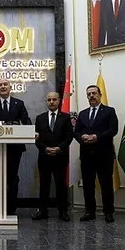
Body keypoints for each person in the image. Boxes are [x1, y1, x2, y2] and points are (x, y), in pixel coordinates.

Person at [0, 78, 31, 215]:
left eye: (5, 84)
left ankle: (11, 209)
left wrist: (31, 131)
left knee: (12, 178)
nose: (3, 86)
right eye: (0, 85)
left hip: (15, 147)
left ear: (10, 88)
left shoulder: (19, 103)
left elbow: (25, 120)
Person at [73, 85, 119, 223]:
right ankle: (89, 212)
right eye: (89, 94)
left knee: (106, 184)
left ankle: (108, 212)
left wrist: (96, 137)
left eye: (94, 93)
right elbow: (76, 132)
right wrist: (81, 137)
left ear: (100, 95)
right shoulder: (82, 114)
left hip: (104, 155)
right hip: (87, 155)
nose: (91, 96)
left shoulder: (109, 111)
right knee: (88, 185)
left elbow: (113, 130)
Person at [32, 92, 73, 222]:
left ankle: (63, 211)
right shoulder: (40, 118)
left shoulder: (66, 118)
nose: (51, 102)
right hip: (44, 157)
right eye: (49, 100)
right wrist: (45, 149)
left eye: (54, 99)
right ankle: (42, 211)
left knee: (61, 184)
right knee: (44, 184)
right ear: (46, 101)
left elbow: (69, 136)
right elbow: (36, 138)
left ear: (59, 101)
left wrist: (59, 148)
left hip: (60, 156)